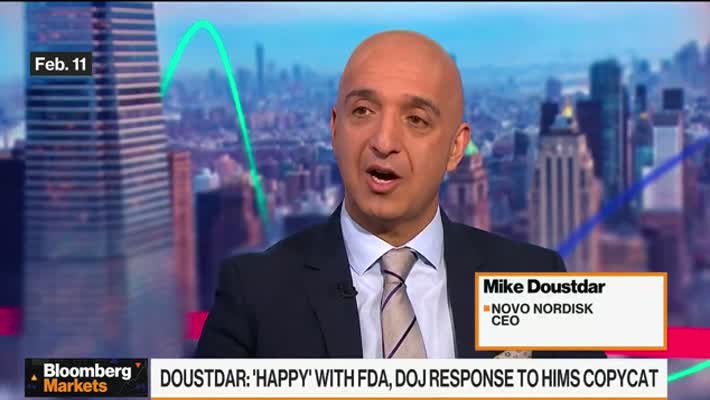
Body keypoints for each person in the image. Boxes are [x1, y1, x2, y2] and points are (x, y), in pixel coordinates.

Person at [195, 30, 605, 359]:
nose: (384, 141)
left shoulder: (533, 277)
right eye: (363, 112)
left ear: (455, 148)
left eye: (416, 119)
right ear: (335, 129)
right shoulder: (254, 294)